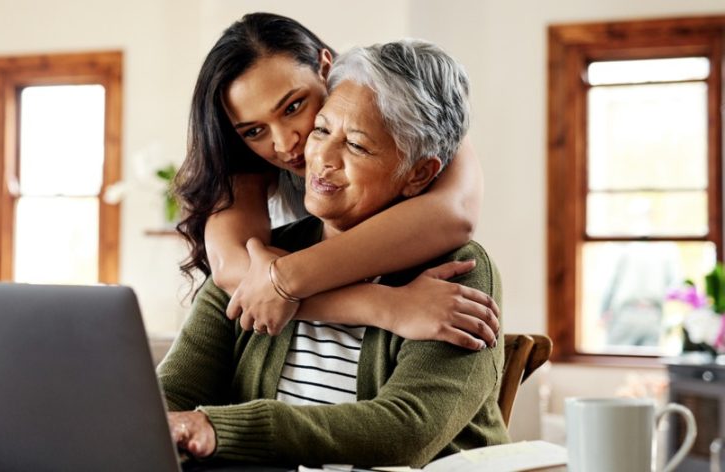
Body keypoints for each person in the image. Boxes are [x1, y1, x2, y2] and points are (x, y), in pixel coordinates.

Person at [159, 39, 509, 468]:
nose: (318, 157)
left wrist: (219, 428)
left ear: (419, 174)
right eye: (322, 130)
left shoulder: (462, 270)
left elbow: (405, 432)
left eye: (358, 146)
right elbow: (169, 395)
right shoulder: (262, 261)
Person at [175, 13, 498, 349]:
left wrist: (285, 279)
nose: (286, 144)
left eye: (293, 107)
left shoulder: (403, 103)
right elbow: (234, 270)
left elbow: (453, 214)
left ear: (325, 68)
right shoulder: (244, 161)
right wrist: (385, 306)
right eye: (255, 131)